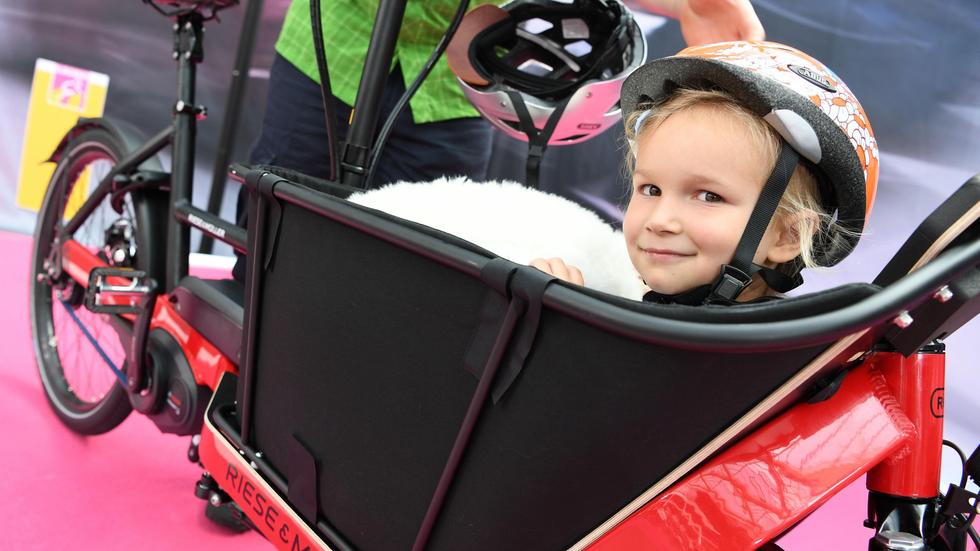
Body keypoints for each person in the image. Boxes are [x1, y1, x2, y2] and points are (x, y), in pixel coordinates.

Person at [530, 41, 880, 305]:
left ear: (789, 236)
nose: (660, 220)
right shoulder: (646, 326)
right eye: (650, 189)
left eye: (709, 196)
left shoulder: (770, 370)